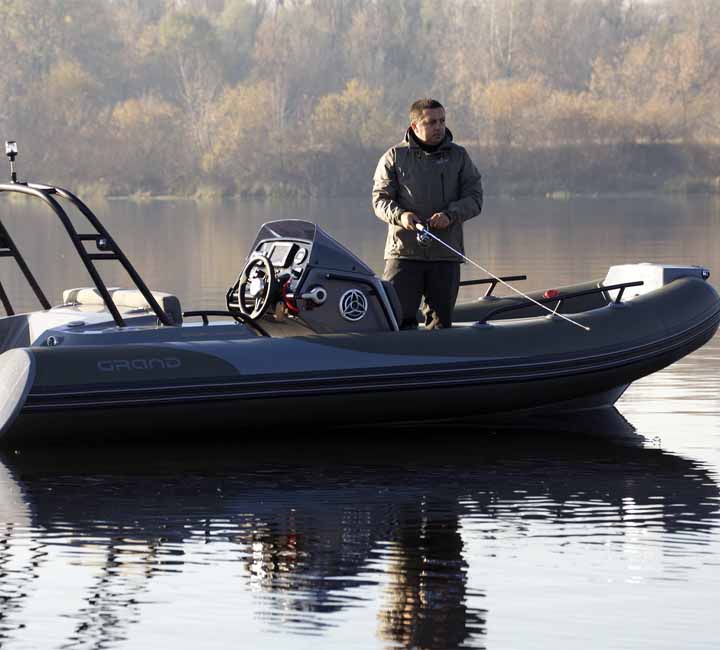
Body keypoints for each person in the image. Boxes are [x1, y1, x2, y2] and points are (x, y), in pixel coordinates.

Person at [372, 98, 483, 329]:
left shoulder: (459, 156)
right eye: (431, 122)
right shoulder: (394, 157)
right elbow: (380, 201)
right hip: (403, 254)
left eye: (442, 121)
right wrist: (401, 216)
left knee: (441, 325)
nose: (438, 127)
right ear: (414, 126)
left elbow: (475, 199)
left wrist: (450, 215)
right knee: (396, 321)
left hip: (445, 255)